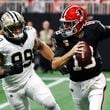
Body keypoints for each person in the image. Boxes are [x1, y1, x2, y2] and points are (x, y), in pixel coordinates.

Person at [51, 5, 110, 110]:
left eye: (69, 23)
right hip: (76, 85)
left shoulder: (94, 28)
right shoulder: (61, 37)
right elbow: (55, 65)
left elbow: (108, 30)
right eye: (64, 23)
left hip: (95, 81)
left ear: (80, 22)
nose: (65, 26)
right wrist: (71, 52)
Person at [0, 11, 60, 110]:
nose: (18, 30)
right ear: (6, 29)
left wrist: (54, 60)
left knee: (50, 103)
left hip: (30, 78)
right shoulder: (2, 44)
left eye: (20, 26)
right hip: (12, 88)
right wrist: (9, 70)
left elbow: (41, 46)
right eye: (14, 28)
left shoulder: (30, 32)